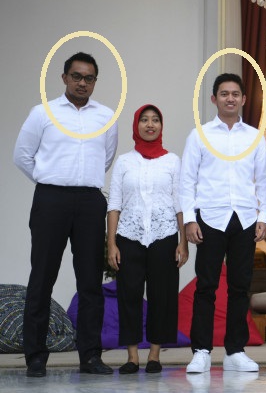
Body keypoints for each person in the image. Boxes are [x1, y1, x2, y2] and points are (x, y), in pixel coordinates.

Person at [13, 52, 118, 377]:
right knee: (41, 277)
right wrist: (50, 181)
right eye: (76, 76)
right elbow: (23, 156)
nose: (82, 83)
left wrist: (79, 182)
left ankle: (90, 356)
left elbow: (107, 157)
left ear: (95, 82)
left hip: (89, 202)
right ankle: (35, 357)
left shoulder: (106, 116)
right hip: (51, 200)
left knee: (90, 281)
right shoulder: (42, 112)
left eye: (88, 78)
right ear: (64, 78)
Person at [181, 73, 266, 374]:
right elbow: (187, 182)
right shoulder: (199, 135)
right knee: (206, 287)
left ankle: (235, 351)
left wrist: (264, 217)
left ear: (244, 99)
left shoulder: (255, 137)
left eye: (235, 94)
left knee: (240, 287)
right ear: (214, 99)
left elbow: (264, 182)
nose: (230, 98)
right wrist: (190, 220)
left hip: (245, 219)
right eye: (224, 94)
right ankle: (202, 351)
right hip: (210, 219)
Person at [106, 104, 188, 374]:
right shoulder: (124, 162)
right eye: (144, 120)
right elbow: (114, 205)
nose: (150, 125)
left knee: (162, 296)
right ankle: (132, 357)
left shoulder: (173, 161)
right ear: (136, 125)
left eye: (155, 120)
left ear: (162, 126)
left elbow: (180, 204)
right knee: (128, 295)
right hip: (128, 237)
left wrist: (183, 242)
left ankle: (154, 355)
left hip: (164, 236)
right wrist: (111, 244)